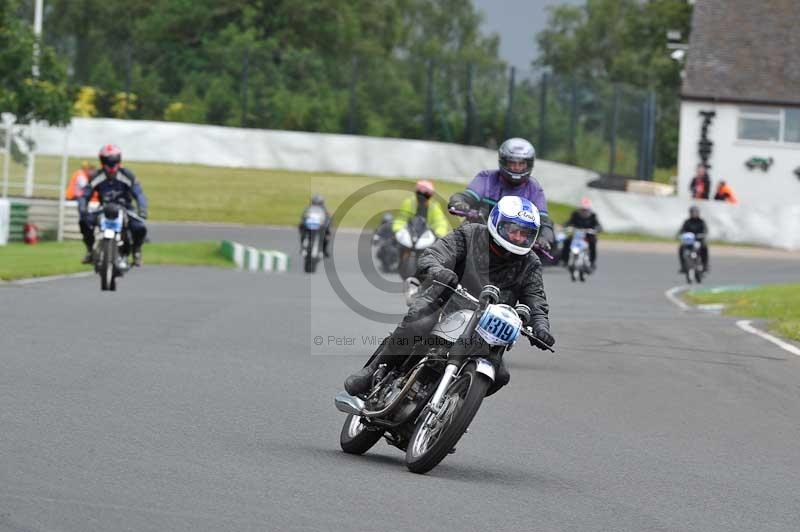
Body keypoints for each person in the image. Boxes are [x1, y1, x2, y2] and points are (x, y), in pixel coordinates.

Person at [344, 196, 555, 397]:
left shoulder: (531, 263)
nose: (518, 237)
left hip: (485, 327)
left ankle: (452, 407)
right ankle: (373, 370)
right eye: (513, 230)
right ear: (497, 222)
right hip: (445, 302)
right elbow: (434, 255)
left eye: (525, 234)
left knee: (500, 376)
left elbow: (535, 298)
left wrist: (541, 326)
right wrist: (439, 271)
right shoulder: (470, 234)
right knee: (418, 325)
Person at [447, 137, 555, 249]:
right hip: (476, 237)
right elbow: (465, 197)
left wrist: (544, 237)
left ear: (529, 165)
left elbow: (544, 222)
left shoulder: (534, 189)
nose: (516, 168)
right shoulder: (487, 178)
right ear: (503, 162)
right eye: (512, 163)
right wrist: (459, 203)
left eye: (521, 164)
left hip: (513, 246)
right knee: (448, 252)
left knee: (534, 263)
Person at [78, 145, 148, 266]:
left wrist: (142, 210)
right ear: (102, 161)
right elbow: (85, 194)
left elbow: (139, 194)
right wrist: (83, 208)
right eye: (107, 161)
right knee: (84, 222)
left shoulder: (127, 175)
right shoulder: (96, 176)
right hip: (104, 209)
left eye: (114, 161)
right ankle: (90, 250)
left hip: (125, 208)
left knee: (140, 227)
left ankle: (136, 251)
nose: (111, 165)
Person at [561, 197, 602, 270]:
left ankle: (592, 262)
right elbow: (569, 222)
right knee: (567, 241)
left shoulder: (593, 216)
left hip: (588, 235)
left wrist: (595, 230)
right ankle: (565, 260)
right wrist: (564, 226)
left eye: (585, 210)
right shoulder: (575, 214)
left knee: (593, 244)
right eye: (582, 209)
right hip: (577, 234)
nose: (584, 211)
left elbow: (598, 226)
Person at [677, 206, 709, 273]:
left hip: (699, 240)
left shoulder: (701, 221)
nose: (694, 214)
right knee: (681, 248)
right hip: (689, 241)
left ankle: (705, 265)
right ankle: (683, 266)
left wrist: (703, 234)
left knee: (704, 247)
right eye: (692, 212)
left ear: (698, 213)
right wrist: (680, 234)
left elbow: (705, 230)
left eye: (695, 212)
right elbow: (682, 230)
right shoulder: (687, 222)